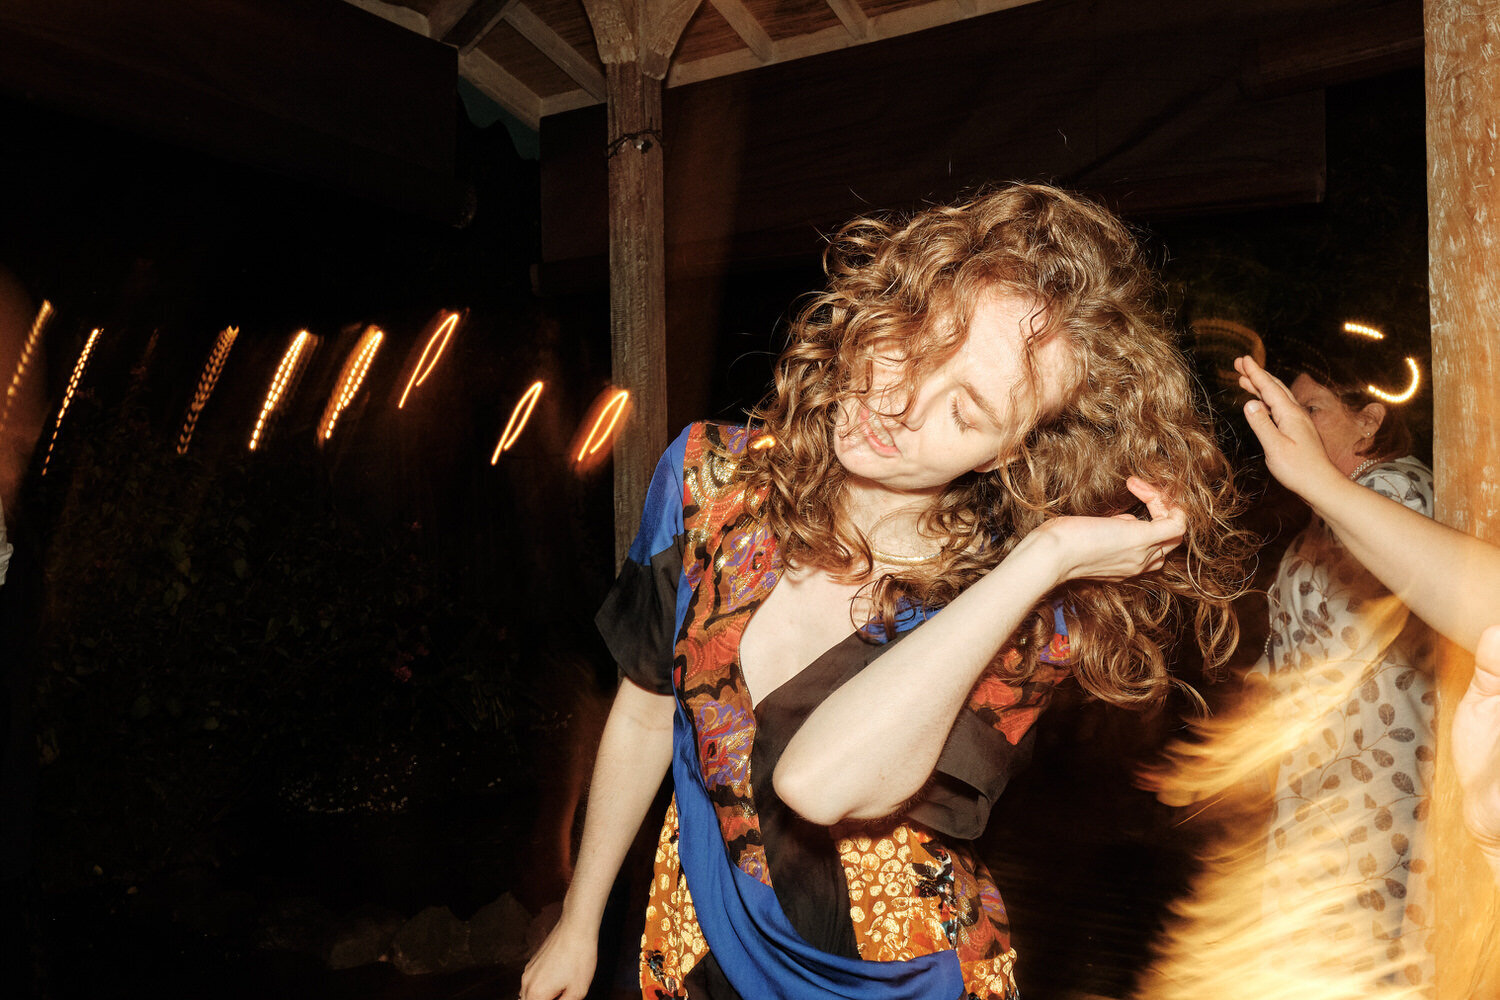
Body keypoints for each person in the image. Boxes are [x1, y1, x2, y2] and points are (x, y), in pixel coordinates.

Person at [521, 183, 1252, 1000]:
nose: (899, 406)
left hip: (891, 978)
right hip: (692, 951)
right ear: (886, 308)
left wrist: (1041, 557)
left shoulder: (1019, 615)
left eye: (965, 412)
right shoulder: (706, 482)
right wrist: (581, 920)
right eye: (916, 343)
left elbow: (820, 784)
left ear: (1005, 456)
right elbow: (647, 707)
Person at [1235, 354, 1500, 885]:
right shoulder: (1335, 509)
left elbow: (1356, 640)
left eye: (1313, 407)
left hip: (1376, 766)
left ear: (1370, 421)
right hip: (1326, 761)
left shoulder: (1393, 492)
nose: (1297, 421)